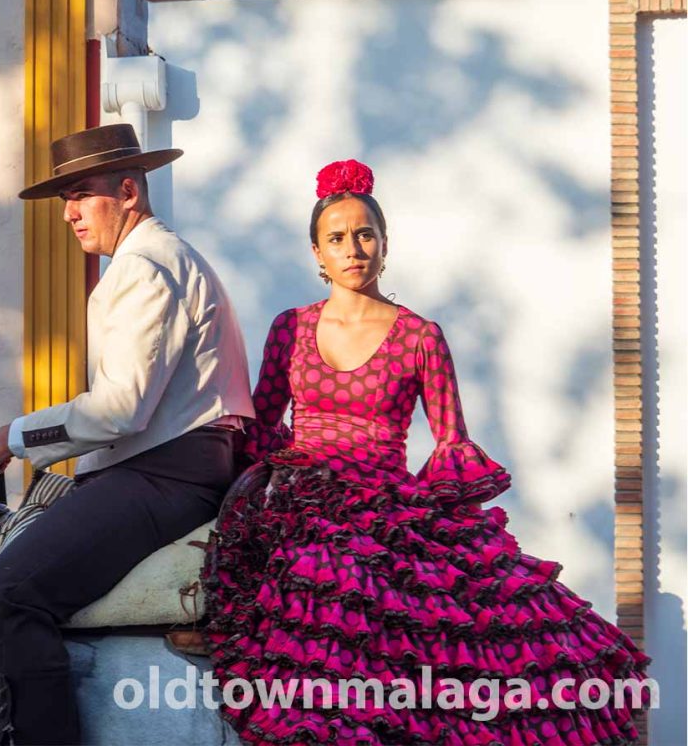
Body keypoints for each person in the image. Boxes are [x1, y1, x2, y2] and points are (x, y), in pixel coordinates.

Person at [202, 160, 652, 745]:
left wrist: (455, 548)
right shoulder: (289, 327)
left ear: (385, 246)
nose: (353, 248)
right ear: (316, 253)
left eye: (365, 234)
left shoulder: (420, 336)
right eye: (336, 238)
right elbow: (263, 423)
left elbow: (450, 444)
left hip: (388, 504)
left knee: (480, 642)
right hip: (305, 498)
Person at [0, 123, 254, 745]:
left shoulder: (143, 267)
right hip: (165, 467)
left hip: (163, 474)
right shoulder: (163, 258)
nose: (70, 213)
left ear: (128, 191)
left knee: (10, 591)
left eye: (82, 194)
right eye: (63, 201)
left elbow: (121, 409)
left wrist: (17, 436)